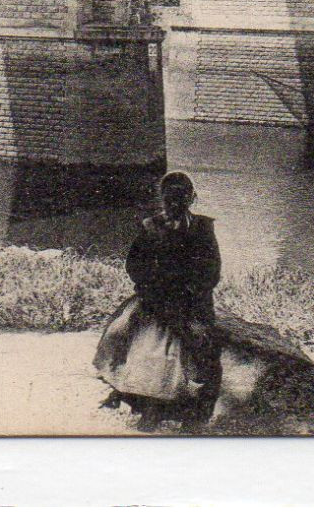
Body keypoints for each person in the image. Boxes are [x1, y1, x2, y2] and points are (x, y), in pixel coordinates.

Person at [93, 171, 223, 431]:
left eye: (181, 198)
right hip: (157, 298)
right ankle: (148, 408)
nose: (175, 204)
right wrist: (156, 289)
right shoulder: (150, 227)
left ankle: (191, 414)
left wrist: (190, 292)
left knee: (198, 350)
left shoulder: (203, 227)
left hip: (191, 300)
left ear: (191, 199)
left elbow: (212, 269)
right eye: (170, 199)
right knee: (142, 342)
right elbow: (135, 266)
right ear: (162, 200)